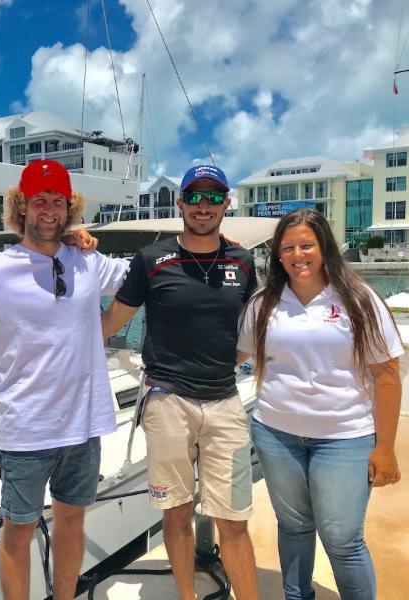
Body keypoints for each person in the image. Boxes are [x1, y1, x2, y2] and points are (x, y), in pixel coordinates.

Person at [101, 164, 259, 600]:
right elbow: (112, 321)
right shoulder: (152, 260)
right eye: (195, 196)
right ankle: (185, 596)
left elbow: (254, 329)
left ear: (226, 203)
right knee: (176, 510)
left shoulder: (243, 261)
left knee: (233, 519)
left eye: (213, 197)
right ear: (181, 203)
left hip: (225, 401)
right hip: (167, 399)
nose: (203, 206)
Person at [0, 159, 128, 600]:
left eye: (57, 202)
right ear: (21, 206)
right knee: (17, 533)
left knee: (71, 522)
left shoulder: (87, 261)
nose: (48, 210)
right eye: (39, 201)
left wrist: (108, 325)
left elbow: (144, 277)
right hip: (25, 430)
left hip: (82, 425)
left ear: (69, 208)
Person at [236, 208, 403, 600]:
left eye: (306, 245)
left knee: (343, 540)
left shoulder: (359, 299)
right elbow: (232, 355)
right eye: (288, 247)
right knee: (293, 528)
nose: (298, 255)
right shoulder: (265, 302)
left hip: (345, 438)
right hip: (276, 434)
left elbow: (387, 377)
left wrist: (385, 448)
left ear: (324, 246)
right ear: (277, 255)